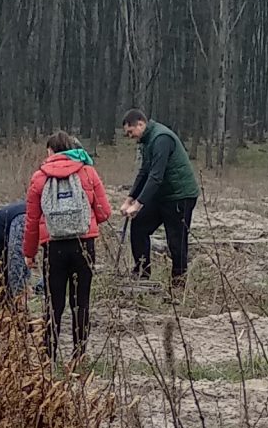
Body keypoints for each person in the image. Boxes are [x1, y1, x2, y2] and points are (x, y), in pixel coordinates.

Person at [24, 132, 111, 359]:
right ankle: (79, 355)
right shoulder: (88, 172)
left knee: (53, 303)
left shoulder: (39, 178)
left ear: (50, 151)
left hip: (53, 248)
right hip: (84, 245)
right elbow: (104, 213)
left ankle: (49, 355)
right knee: (81, 301)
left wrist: (29, 253)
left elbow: (31, 220)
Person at [118, 109, 200, 291]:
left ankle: (178, 284)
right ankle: (142, 272)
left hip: (180, 195)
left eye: (131, 132)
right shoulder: (147, 141)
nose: (130, 136)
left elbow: (156, 176)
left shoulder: (161, 138)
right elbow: (144, 172)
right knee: (138, 225)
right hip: (163, 195)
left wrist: (139, 204)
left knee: (176, 240)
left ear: (141, 124)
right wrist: (130, 199)